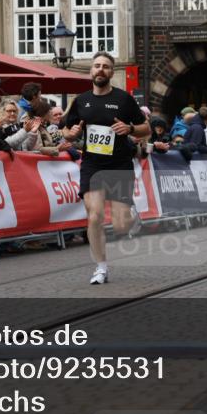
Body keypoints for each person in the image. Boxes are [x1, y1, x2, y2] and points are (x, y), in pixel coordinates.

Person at [62, 52, 150, 285]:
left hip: (119, 164)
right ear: (91, 70)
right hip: (92, 164)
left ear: (112, 73)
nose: (101, 70)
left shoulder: (123, 99)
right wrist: (69, 134)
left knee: (121, 225)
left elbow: (146, 128)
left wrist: (130, 129)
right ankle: (100, 267)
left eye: (106, 67)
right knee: (95, 216)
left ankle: (131, 215)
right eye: (97, 66)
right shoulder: (81, 101)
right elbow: (66, 129)